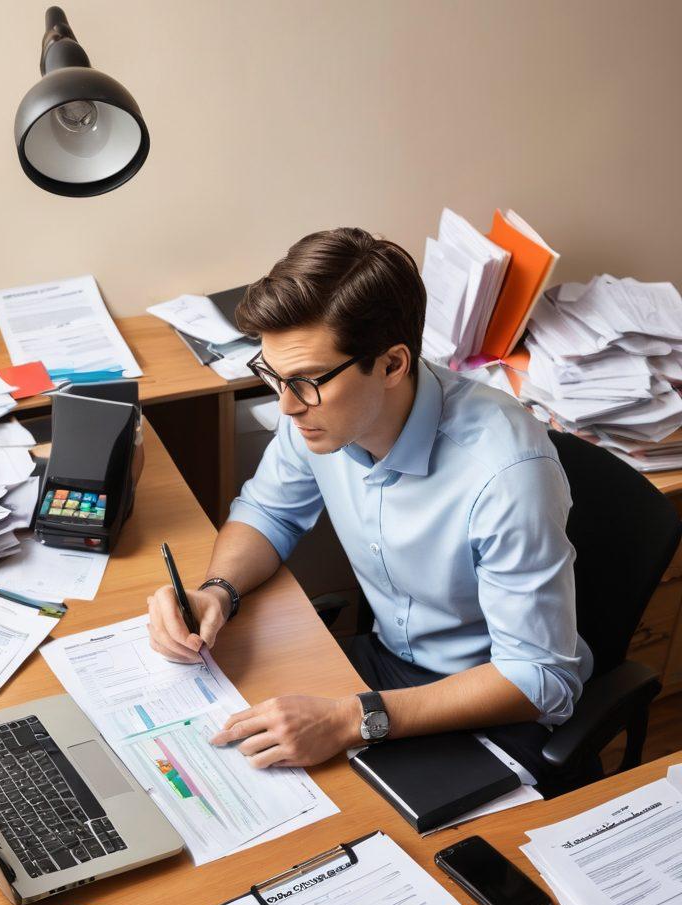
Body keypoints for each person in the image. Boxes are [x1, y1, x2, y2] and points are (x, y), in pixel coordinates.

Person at [147, 227, 593, 792]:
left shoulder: (506, 475)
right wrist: (217, 592)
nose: (286, 406)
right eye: (273, 376)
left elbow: (540, 681)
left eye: (306, 382)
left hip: (491, 705)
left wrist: (349, 719)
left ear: (391, 365)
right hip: (384, 664)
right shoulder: (318, 415)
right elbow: (268, 512)